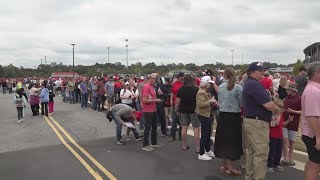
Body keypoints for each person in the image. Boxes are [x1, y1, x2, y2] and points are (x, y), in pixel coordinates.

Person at [242, 62, 283, 180]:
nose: (262, 73)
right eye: (260, 71)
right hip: (257, 123)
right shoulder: (254, 85)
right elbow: (268, 104)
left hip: (252, 121)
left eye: (263, 71)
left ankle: (249, 177)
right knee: (261, 153)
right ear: (252, 72)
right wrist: (278, 110)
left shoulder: (250, 83)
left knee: (251, 151)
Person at [214, 67, 243, 175]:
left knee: (223, 140)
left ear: (224, 75)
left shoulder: (220, 87)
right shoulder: (238, 88)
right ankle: (230, 166)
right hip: (233, 117)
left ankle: (225, 164)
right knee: (232, 141)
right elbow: (242, 104)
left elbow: (220, 101)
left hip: (222, 116)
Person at [301, 62, 320, 180]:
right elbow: (312, 116)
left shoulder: (313, 89)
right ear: (317, 74)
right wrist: (318, 136)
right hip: (314, 134)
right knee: (316, 165)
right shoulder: (314, 91)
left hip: (311, 133)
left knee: (312, 163)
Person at [175, 74, 200, 152]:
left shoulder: (180, 89)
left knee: (184, 128)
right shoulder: (196, 89)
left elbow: (177, 102)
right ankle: (198, 148)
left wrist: (176, 110)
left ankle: (184, 146)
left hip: (183, 111)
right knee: (196, 129)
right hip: (194, 111)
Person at [279, 83, 302, 166]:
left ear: (293, 90)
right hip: (285, 121)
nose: (286, 90)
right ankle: (285, 158)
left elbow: (302, 111)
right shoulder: (286, 98)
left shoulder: (299, 99)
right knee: (284, 139)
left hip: (294, 122)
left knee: (292, 141)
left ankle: (290, 157)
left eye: (288, 89)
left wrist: (293, 111)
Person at [195, 76, 217, 160]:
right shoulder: (201, 92)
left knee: (207, 134)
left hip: (207, 114)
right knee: (204, 134)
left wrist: (211, 100)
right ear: (206, 83)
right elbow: (201, 105)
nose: (210, 85)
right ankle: (201, 153)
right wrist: (210, 101)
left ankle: (207, 150)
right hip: (204, 115)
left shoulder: (205, 92)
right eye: (209, 83)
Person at [141, 73, 164, 152]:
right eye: (154, 79)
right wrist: (156, 100)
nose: (155, 81)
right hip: (148, 110)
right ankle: (145, 144)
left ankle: (154, 142)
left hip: (153, 109)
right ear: (150, 78)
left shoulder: (151, 87)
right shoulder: (146, 87)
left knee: (154, 126)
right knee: (147, 127)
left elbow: (152, 97)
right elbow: (144, 100)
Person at [168, 72, 184, 142]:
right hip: (175, 103)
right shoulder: (175, 83)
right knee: (174, 120)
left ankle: (181, 135)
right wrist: (171, 99)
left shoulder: (184, 84)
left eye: (180, 77)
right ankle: (172, 135)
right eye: (179, 77)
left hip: (182, 104)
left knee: (182, 121)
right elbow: (172, 92)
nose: (179, 78)